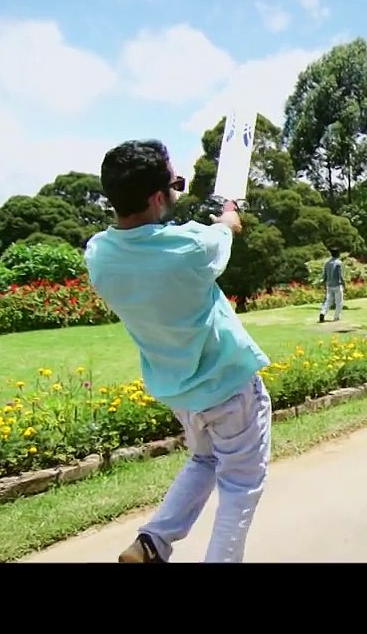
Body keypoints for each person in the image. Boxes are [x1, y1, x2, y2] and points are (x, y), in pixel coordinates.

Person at [84, 139, 272, 564]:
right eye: (175, 184)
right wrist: (229, 213)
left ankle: (153, 542)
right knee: (241, 488)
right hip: (229, 387)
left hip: (181, 394)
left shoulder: (99, 255)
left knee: (205, 460)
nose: (176, 190)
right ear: (157, 197)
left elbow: (154, 244)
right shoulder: (192, 246)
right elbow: (226, 231)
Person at [319, 249, 344, 323]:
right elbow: (340, 275)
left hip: (329, 285)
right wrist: (343, 283)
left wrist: (324, 283)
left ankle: (323, 312)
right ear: (338, 254)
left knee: (328, 300)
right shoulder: (338, 263)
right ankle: (336, 316)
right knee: (339, 301)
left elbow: (325, 275)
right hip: (337, 284)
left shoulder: (327, 263)